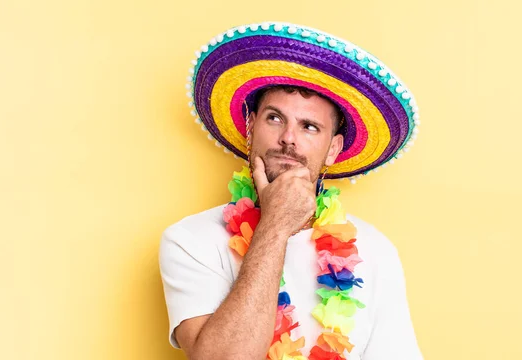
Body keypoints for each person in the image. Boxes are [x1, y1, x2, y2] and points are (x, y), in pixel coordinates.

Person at [159, 22, 424, 360]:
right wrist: (276, 223)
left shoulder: (374, 250)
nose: (288, 138)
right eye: (274, 119)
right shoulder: (190, 240)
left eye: (309, 126)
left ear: (333, 149)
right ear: (250, 126)